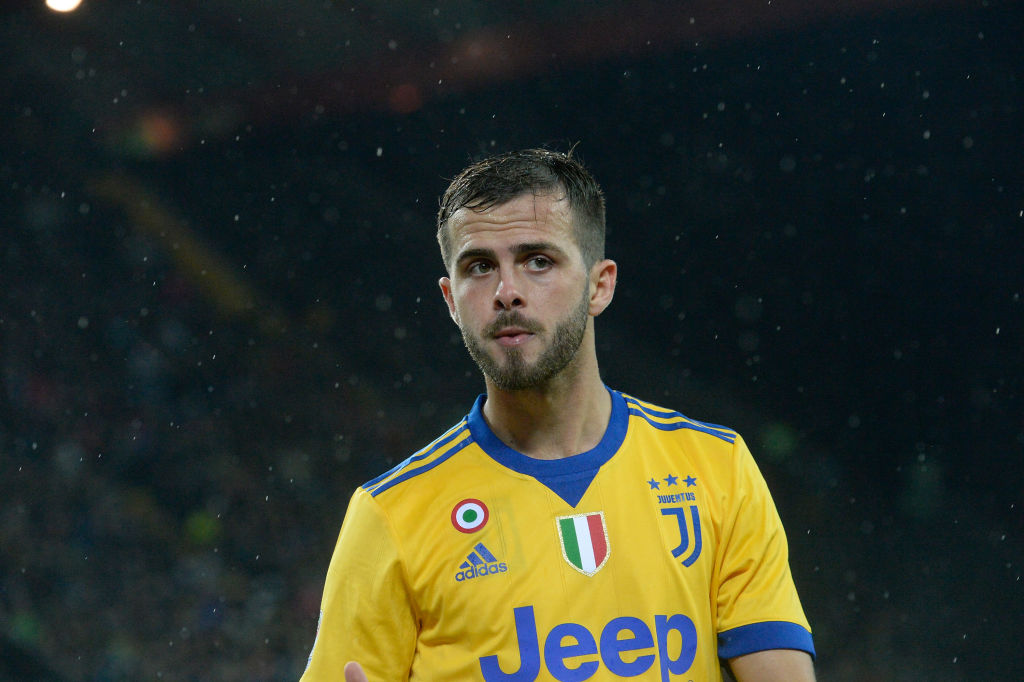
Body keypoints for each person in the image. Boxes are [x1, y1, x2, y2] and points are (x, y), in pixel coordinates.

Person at [300, 148, 816, 682]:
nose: (507, 293)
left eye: (538, 261)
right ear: (451, 300)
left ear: (600, 285)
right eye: (480, 267)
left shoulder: (716, 469)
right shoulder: (390, 515)